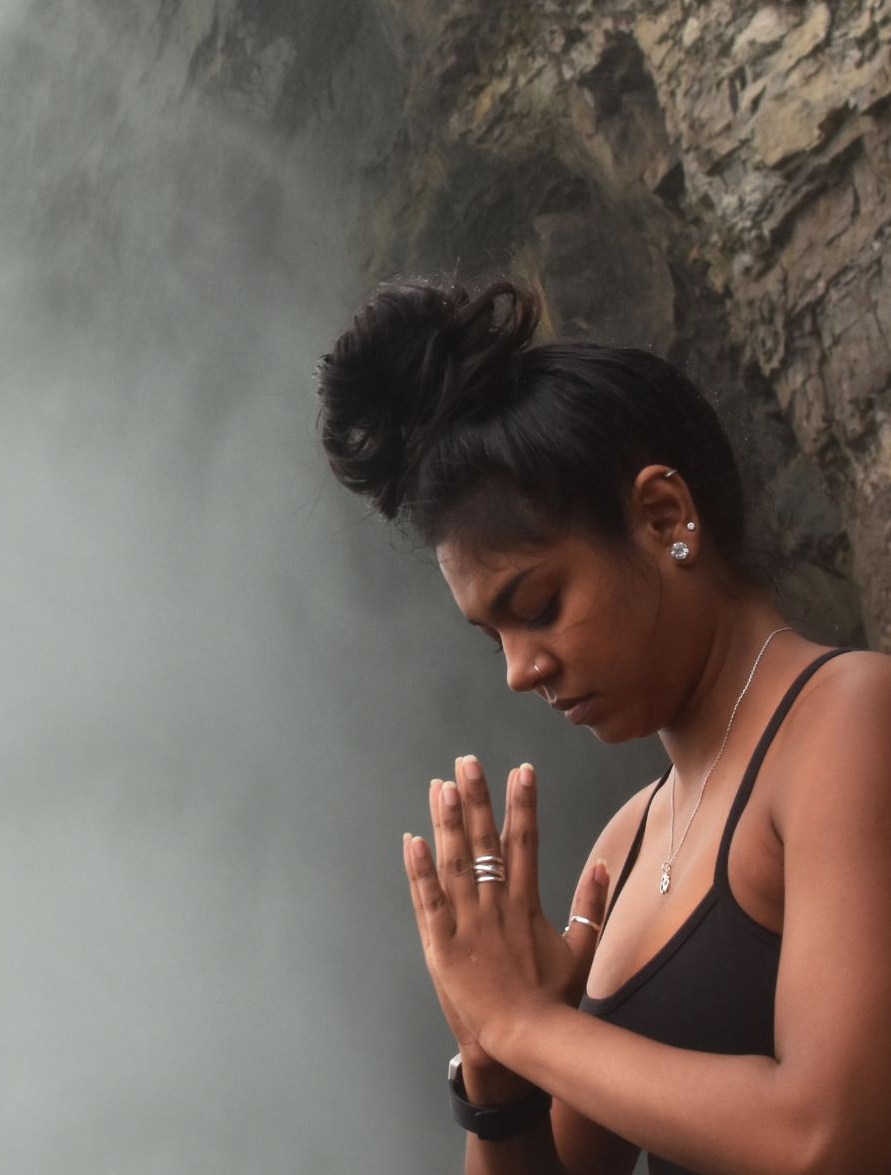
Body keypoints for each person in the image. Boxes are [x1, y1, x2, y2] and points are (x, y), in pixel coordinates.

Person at [316, 277, 891, 1174]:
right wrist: (497, 1076)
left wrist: (525, 1023)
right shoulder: (624, 849)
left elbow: (828, 1136)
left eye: (538, 605)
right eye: (492, 637)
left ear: (664, 517)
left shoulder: (849, 719)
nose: (517, 670)